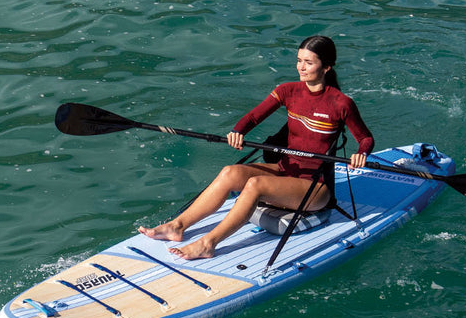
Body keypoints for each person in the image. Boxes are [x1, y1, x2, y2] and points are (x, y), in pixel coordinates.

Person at [139, 35, 374, 260]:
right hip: (285, 170)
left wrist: (361, 154)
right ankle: (177, 226)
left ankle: (208, 243)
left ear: (326, 67)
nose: (301, 67)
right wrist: (238, 132)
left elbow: (365, 138)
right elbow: (253, 117)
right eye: (299, 60)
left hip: (316, 188)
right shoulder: (287, 91)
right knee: (231, 172)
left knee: (255, 184)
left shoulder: (340, 103)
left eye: (308, 62)